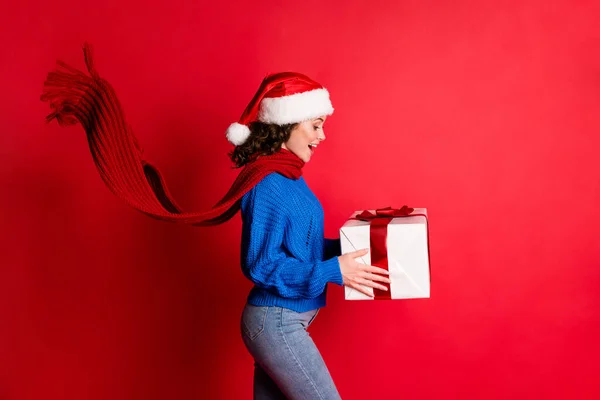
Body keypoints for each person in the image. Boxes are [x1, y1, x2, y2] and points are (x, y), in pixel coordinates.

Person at [40, 44, 390, 400]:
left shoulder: (290, 176)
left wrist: (350, 247)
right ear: (287, 125)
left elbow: (299, 247)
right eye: (316, 125)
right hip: (277, 322)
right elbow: (261, 263)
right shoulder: (268, 183)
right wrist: (332, 270)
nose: (322, 136)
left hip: (286, 321)